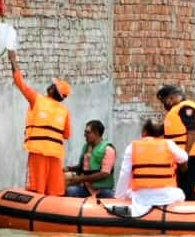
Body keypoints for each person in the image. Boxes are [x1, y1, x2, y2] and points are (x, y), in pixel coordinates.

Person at [8, 50, 71, 196]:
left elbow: (20, 82)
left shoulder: (37, 99)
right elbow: (67, 135)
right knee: (54, 193)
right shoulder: (65, 111)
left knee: (36, 191)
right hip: (55, 156)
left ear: (52, 90)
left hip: (38, 154)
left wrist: (12, 60)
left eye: (52, 85)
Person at [114, 119, 188, 217]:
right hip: (167, 197)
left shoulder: (132, 146)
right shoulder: (169, 144)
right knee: (181, 194)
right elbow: (184, 157)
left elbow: (124, 174)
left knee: (128, 193)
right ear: (161, 134)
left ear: (144, 132)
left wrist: (119, 198)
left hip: (141, 198)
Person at [157, 85, 195, 201]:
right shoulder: (179, 109)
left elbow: (192, 132)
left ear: (171, 98)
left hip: (189, 155)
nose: (164, 105)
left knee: (186, 187)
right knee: (182, 185)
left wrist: (184, 158)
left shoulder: (185, 108)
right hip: (184, 154)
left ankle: (189, 212)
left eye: (164, 101)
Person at [65, 119, 117, 198]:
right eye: (85, 132)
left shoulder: (108, 149)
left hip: (102, 190)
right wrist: (68, 168)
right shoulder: (86, 147)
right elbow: (81, 167)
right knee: (70, 191)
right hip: (86, 188)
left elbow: (104, 173)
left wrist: (80, 179)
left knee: (109, 195)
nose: (84, 135)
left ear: (96, 133)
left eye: (87, 132)